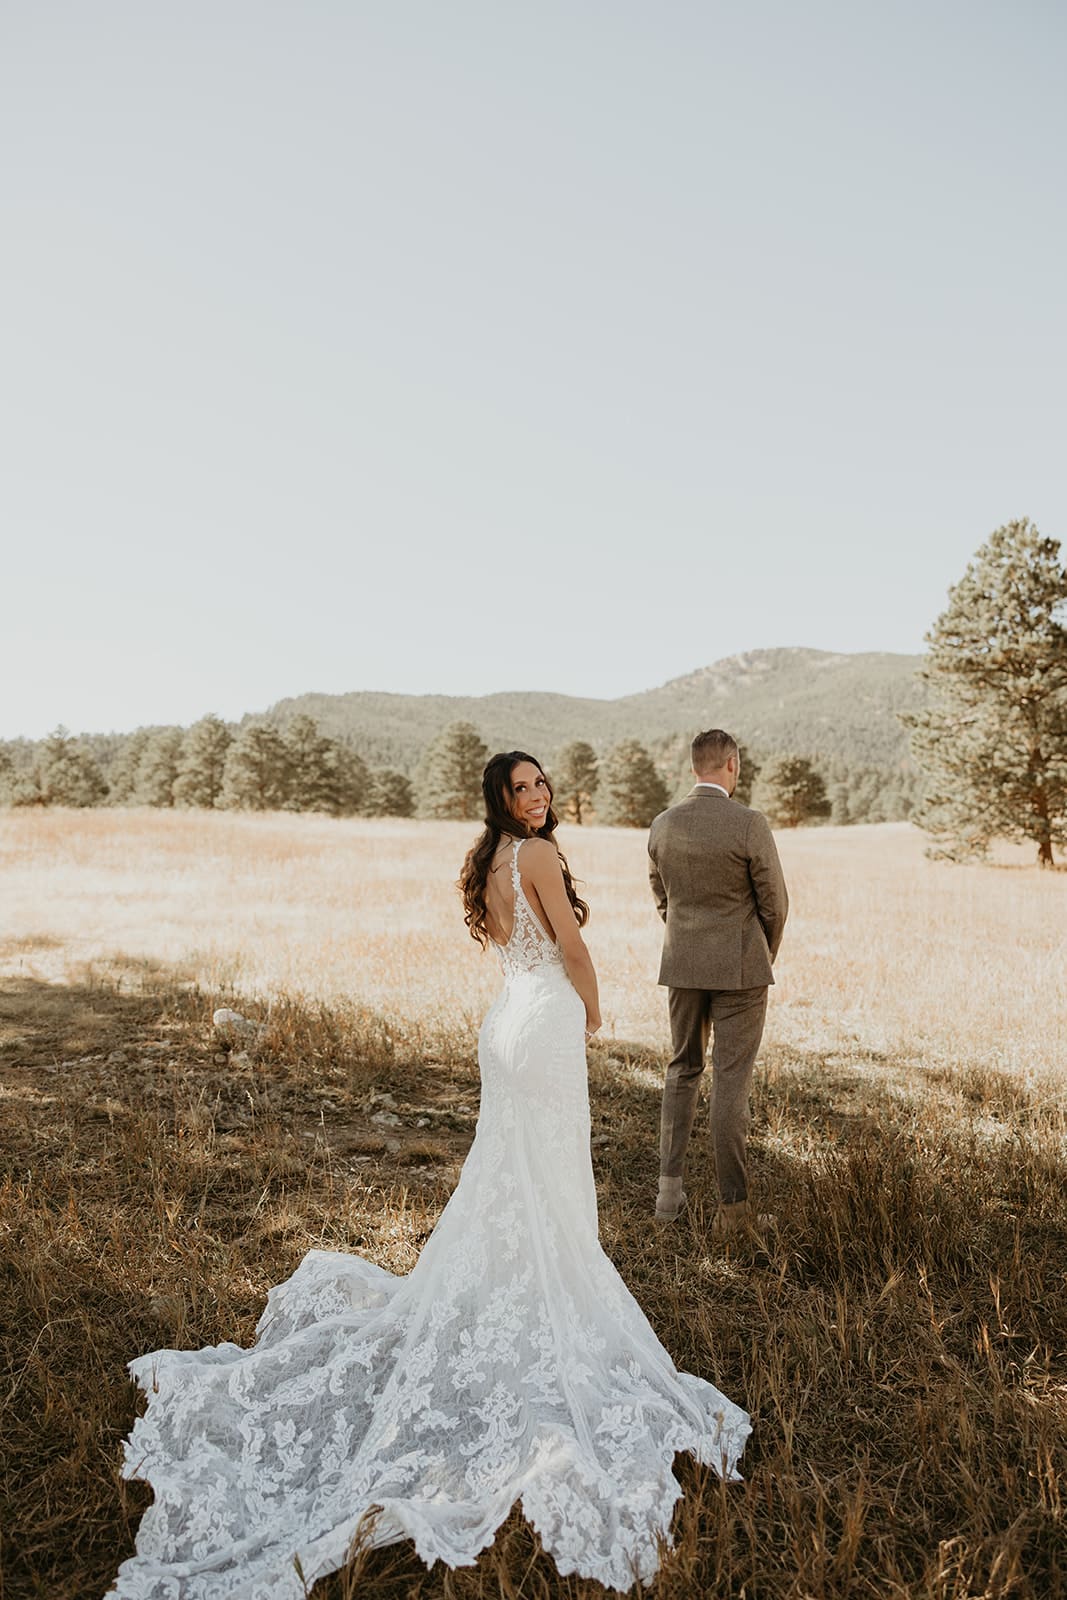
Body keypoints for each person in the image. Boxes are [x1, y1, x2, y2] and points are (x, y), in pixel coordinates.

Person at [109, 750, 750, 1598]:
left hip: (504, 1022)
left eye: (539, 783)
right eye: (519, 788)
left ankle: (518, 1286)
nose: (535, 796)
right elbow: (569, 945)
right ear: (500, 798)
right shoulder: (537, 855)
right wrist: (593, 1009)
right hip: (544, 1020)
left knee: (510, 1174)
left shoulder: (485, 860)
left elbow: (507, 945)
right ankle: (547, 1301)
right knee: (548, 1176)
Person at [648, 729, 789, 1236]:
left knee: (681, 1069)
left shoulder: (662, 825)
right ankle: (734, 1211)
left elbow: (661, 894)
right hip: (740, 969)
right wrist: (759, 953)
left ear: (694, 769)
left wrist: (683, 934)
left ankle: (668, 1194)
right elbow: (776, 903)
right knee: (731, 1081)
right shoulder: (749, 823)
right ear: (732, 765)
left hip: (681, 965)